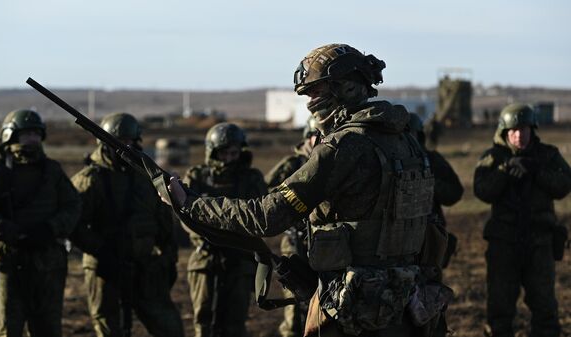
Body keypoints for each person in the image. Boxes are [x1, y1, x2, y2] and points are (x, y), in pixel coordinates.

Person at [163, 43, 450, 337]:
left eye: (315, 91)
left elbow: (268, 216)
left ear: (344, 89)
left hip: (354, 309)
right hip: (408, 302)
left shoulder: (343, 147)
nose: (311, 102)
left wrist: (191, 204)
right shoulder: (407, 141)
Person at [70, 112, 183, 337]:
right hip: (105, 268)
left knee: (169, 327)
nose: (125, 147)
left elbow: (163, 222)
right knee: (110, 328)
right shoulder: (90, 179)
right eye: (119, 142)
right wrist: (102, 251)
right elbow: (73, 223)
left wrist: (167, 258)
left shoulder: (147, 177)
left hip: (145, 266)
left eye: (130, 142)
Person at [0, 109, 81, 337]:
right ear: (10, 136)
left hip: (47, 263)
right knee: (6, 329)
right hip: (8, 261)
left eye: (35, 134)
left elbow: (72, 206)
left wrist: (51, 228)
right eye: (25, 134)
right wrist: (3, 228)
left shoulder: (52, 171)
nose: (31, 139)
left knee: (48, 329)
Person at [474, 103, 571, 337]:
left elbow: (564, 185)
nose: (519, 135)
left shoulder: (547, 155)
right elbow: (482, 191)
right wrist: (505, 171)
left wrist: (537, 171)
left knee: (545, 305)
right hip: (504, 243)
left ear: (532, 130)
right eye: (514, 131)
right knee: (500, 307)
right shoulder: (492, 157)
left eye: (524, 129)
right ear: (505, 132)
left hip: (540, 242)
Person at [182, 122, 267, 337]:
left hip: (240, 260)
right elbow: (183, 213)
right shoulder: (196, 177)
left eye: (234, 153)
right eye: (224, 153)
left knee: (234, 322)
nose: (229, 158)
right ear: (212, 151)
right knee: (204, 320)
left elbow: (260, 214)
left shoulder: (252, 178)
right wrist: (207, 236)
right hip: (205, 258)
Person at [265, 116, 318, 337]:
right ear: (308, 136)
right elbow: (268, 195)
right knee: (295, 304)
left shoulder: (334, 161)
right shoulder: (292, 165)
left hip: (324, 242)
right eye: (316, 136)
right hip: (295, 241)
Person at [408, 113, 463, 269]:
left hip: (428, 242)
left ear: (418, 135)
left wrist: (429, 183)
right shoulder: (387, 162)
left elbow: (454, 192)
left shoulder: (430, 160)